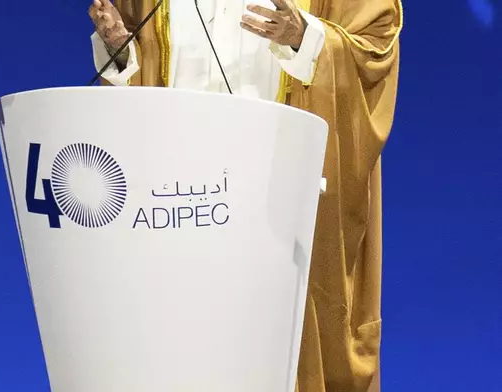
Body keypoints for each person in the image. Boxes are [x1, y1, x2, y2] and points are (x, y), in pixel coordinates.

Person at [87, 0, 403, 391]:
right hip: (177, 211)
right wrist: (119, 52)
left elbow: (373, 50)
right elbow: (141, 78)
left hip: (277, 215)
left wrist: (305, 39)